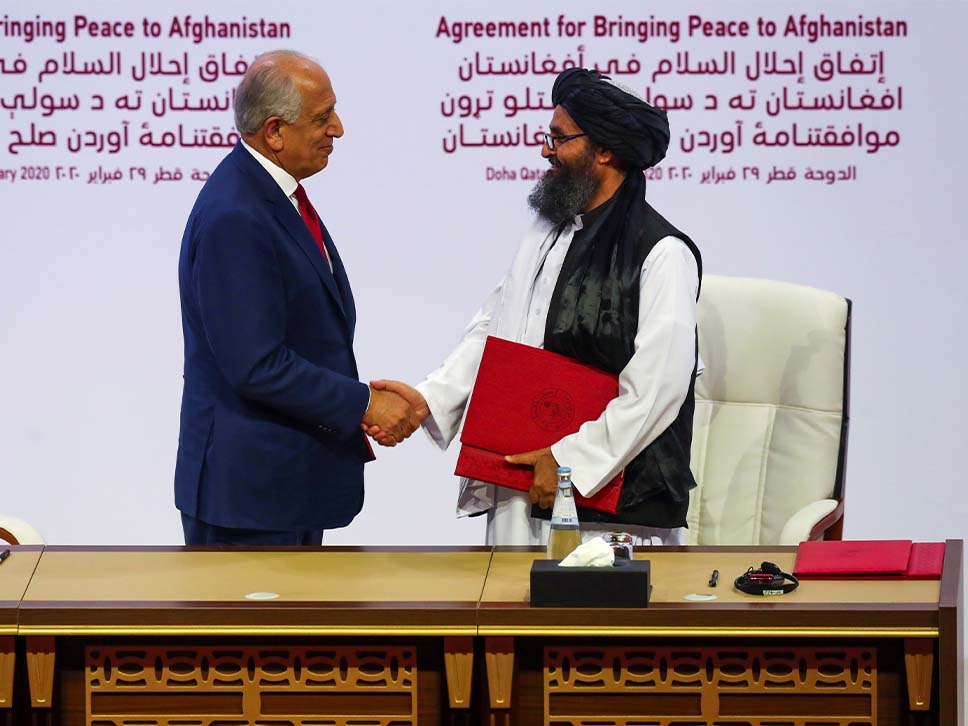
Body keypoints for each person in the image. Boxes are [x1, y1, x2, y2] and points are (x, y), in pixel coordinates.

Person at [366, 68, 702, 546]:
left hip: (608, 506)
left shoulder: (663, 253)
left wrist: (569, 462)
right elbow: (496, 329)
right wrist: (430, 399)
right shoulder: (547, 232)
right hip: (520, 481)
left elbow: (658, 388)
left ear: (604, 151)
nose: (546, 150)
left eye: (559, 138)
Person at [175, 50, 419, 546]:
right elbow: (256, 365)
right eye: (322, 118)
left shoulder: (268, 195)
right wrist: (363, 404)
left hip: (283, 487)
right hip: (250, 501)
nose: (338, 129)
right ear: (274, 132)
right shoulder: (237, 216)